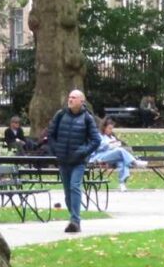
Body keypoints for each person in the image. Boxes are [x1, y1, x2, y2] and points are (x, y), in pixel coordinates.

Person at [46, 89, 101, 234]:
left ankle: (75, 220)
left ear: (81, 101)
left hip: (78, 161)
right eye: (69, 97)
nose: (70, 99)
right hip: (63, 160)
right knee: (67, 192)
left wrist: (83, 152)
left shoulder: (87, 118)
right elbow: (50, 134)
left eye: (74, 97)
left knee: (75, 187)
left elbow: (96, 140)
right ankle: (73, 218)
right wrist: (56, 150)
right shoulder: (61, 115)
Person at [90, 118, 149, 192]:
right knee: (120, 151)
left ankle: (122, 183)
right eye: (109, 128)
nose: (111, 130)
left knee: (122, 160)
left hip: (112, 157)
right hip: (100, 157)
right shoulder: (99, 136)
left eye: (112, 128)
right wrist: (109, 145)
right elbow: (97, 147)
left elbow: (115, 147)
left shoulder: (112, 137)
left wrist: (116, 144)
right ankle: (134, 162)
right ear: (104, 127)